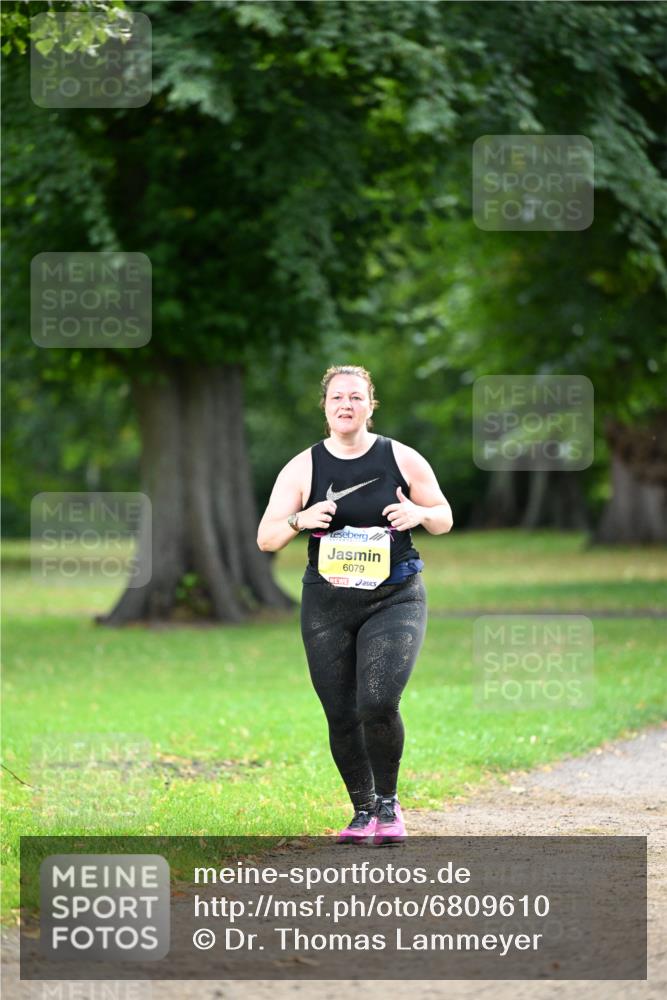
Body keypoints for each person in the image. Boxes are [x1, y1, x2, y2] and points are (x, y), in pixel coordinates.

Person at [257, 365, 453, 845]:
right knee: (341, 712)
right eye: (337, 398)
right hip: (327, 604)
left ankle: (388, 804)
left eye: (356, 397)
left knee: (378, 702)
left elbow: (444, 517)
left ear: (370, 405)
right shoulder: (303, 467)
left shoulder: (401, 457)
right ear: (325, 408)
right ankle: (363, 810)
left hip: (394, 597)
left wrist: (419, 513)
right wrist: (301, 519)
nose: (346, 404)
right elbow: (266, 538)